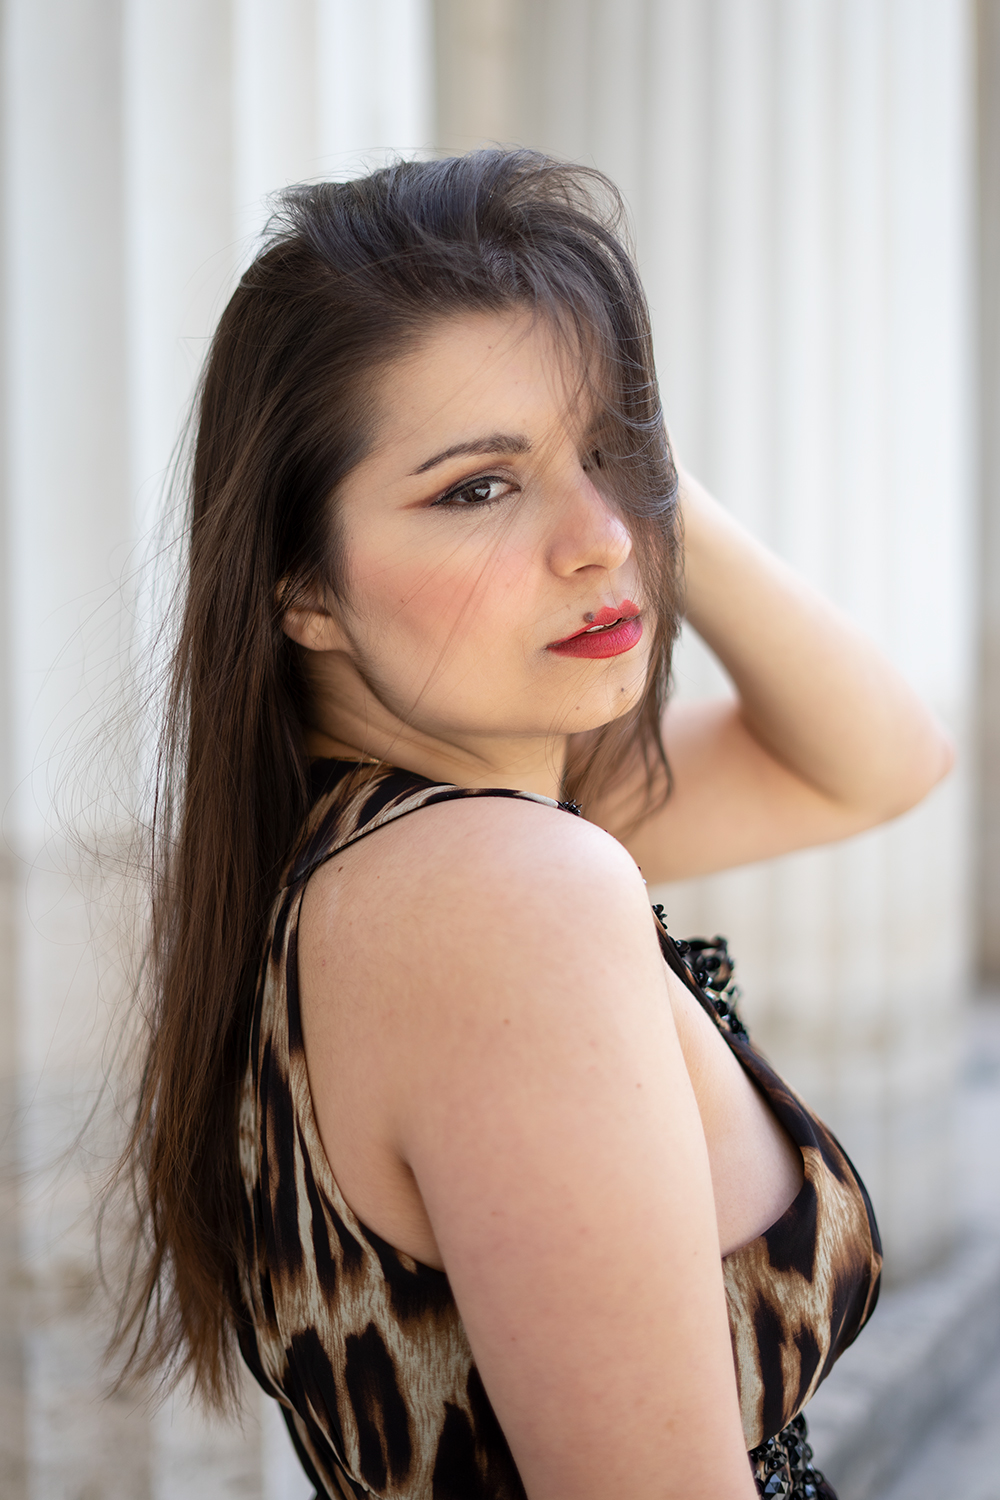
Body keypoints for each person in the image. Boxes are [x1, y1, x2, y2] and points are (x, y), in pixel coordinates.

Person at [112, 151, 952, 1500]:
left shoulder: (393, 849)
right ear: (300, 588)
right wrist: (590, 444)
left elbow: (883, 762)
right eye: (477, 487)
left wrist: (627, 460)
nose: (602, 538)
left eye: (612, 454)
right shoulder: (498, 892)